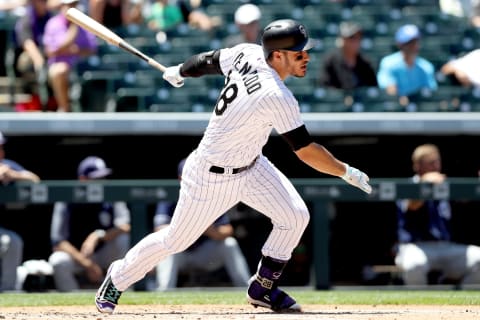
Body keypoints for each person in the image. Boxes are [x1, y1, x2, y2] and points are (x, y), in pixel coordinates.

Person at [94, 19, 371, 314]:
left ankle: (262, 289)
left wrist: (181, 69)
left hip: (252, 165)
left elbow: (208, 61)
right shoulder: (276, 95)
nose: (306, 58)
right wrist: (345, 170)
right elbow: (305, 151)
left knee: (295, 216)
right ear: (278, 55)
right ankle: (118, 277)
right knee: (175, 240)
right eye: (299, 53)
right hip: (210, 176)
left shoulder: (248, 52)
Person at [153, 158, 251, 290]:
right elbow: (159, 229)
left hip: (204, 253)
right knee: (166, 250)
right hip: (180, 253)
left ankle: (246, 289)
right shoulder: (171, 197)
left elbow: (227, 230)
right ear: (180, 178)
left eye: (197, 175)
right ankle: (164, 292)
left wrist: (207, 228)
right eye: (189, 175)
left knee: (229, 244)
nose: (195, 179)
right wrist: (188, 226)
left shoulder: (212, 196)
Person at [394, 143, 480, 285]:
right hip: (416, 246)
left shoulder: (444, 184)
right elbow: (412, 205)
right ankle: (418, 304)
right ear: (417, 166)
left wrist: (476, 184)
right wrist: (425, 184)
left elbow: (465, 199)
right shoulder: (408, 185)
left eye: (437, 162)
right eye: (431, 163)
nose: (436, 167)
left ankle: (461, 302)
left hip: (446, 246)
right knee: (414, 265)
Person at [48, 156, 131, 292]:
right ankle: (73, 301)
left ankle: (120, 293)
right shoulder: (67, 198)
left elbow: (126, 226)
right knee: (58, 261)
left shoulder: (111, 194)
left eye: (103, 178)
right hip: (78, 255)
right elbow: (58, 242)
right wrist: (87, 264)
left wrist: (98, 236)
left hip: (104, 252)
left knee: (124, 240)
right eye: (96, 179)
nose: (101, 182)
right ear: (83, 179)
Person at [0, 131, 40, 291]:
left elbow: (35, 180)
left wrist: (14, 175)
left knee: (12, 241)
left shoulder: (7, 165)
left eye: (1, 147)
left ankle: (8, 291)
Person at [42, 0, 97, 112]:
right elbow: (51, 51)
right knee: (59, 70)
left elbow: (92, 50)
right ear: (62, 6)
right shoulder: (53, 23)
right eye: (69, 5)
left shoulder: (86, 24)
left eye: (75, 5)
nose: (72, 7)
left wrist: (74, 51)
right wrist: (73, 28)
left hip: (82, 67)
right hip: (60, 65)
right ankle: (64, 109)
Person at [12, 0, 53, 111]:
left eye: (45, 1)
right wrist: (38, 60)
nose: (43, 3)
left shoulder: (50, 17)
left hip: (50, 55)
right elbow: (27, 43)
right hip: (33, 56)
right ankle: (33, 98)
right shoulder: (27, 18)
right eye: (41, 1)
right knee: (25, 61)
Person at [376, 24, 437, 98]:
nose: (413, 46)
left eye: (415, 42)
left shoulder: (426, 67)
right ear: (400, 44)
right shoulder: (388, 63)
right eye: (409, 42)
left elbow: (430, 92)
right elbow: (390, 92)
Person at [318, 21, 378, 90]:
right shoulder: (331, 61)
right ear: (343, 39)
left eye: (358, 38)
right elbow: (325, 86)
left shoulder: (365, 63)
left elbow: (372, 88)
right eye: (351, 38)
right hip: (337, 100)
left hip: (361, 100)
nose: (356, 42)